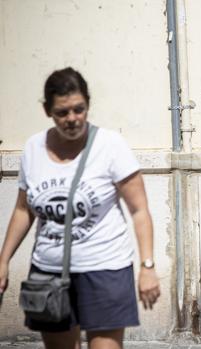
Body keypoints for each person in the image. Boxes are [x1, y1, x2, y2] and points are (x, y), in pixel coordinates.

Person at [0, 67, 160, 349]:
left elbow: (140, 210)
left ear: (88, 104)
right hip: (47, 273)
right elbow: (24, 210)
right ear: (48, 110)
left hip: (106, 270)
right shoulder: (33, 148)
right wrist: (3, 262)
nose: (72, 119)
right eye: (62, 112)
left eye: (79, 109)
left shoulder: (110, 146)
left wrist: (147, 266)